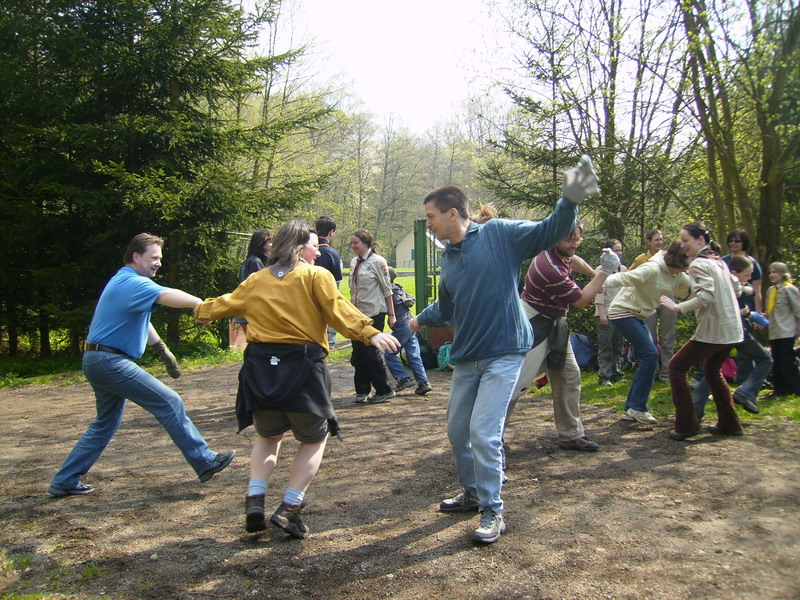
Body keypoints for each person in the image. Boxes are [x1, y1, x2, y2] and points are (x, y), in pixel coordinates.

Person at [410, 154, 599, 545]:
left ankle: (493, 510)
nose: (427, 223)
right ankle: (473, 492)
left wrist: (570, 201)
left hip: (505, 352)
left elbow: (550, 230)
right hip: (467, 356)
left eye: (430, 216)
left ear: (451, 213)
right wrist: (419, 319)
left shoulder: (498, 235)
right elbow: (447, 307)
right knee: (457, 430)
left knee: (483, 431)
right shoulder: (449, 258)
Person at [194, 221, 399, 538]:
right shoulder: (316, 276)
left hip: (261, 369)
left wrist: (200, 311)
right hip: (303, 368)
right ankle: (290, 507)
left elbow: (223, 305)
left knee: (268, 436)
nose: (319, 250)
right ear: (300, 248)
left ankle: (255, 500)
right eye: (314, 245)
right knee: (315, 438)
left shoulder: (256, 280)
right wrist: (370, 332)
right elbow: (339, 311)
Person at [48, 233, 235, 497]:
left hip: (99, 360)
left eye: (160, 258)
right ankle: (204, 460)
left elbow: (142, 322)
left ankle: (64, 480)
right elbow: (167, 295)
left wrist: (162, 349)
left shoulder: (127, 282)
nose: (158, 263)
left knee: (105, 424)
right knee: (169, 402)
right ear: (136, 256)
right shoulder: (132, 282)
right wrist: (202, 306)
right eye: (154, 257)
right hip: (109, 361)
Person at [507, 223, 620, 452]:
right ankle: (491, 437)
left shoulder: (559, 252)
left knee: (568, 375)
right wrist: (604, 272)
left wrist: (595, 275)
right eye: (569, 239)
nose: (574, 244)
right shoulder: (548, 267)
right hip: (533, 324)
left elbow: (573, 260)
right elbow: (579, 300)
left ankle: (571, 435)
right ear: (555, 238)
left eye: (577, 239)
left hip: (555, 323)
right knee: (515, 385)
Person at [659, 222, 744, 440]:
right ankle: (729, 423)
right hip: (732, 329)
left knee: (676, 367)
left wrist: (678, 307)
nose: (682, 245)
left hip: (715, 331)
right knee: (712, 371)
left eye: (685, 241)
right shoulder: (719, 262)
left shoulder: (699, 264)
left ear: (700, 240)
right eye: (681, 241)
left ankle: (687, 424)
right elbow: (737, 287)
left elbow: (706, 297)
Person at [603, 242, 691, 424]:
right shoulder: (651, 269)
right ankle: (637, 407)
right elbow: (623, 278)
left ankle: (630, 409)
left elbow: (691, 292)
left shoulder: (678, 275)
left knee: (648, 355)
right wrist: (599, 280)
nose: (680, 272)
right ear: (674, 262)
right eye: (679, 269)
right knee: (650, 355)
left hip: (639, 315)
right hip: (622, 311)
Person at [693, 255, 772, 416]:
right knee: (765, 359)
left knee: (712, 370)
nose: (749, 278)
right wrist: (746, 312)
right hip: (734, 332)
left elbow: (748, 290)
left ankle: (696, 409)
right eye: (747, 275)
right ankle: (745, 393)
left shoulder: (728, 284)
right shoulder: (729, 286)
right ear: (734, 273)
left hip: (723, 332)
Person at [348, 229, 396, 404]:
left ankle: (384, 389)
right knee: (358, 353)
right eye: (352, 243)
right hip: (357, 314)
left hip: (374, 313)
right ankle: (362, 390)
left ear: (366, 243)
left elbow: (387, 289)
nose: (353, 246)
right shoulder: (354, 262)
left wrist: (391, 314)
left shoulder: (378, 261)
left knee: (370, 352)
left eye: (356, 243)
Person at [630, 228, 675, 382]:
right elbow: (629, 277)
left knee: (667, 337)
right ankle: (652, 371)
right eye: (656, 240)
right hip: (648, 301)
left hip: (667, 299)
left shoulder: (668, 257)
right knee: (650, 337)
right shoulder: (641, 259)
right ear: (648, 242)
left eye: (661, 240)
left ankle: (666, 373)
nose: (659, 243)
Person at [383, 267, 432, 395]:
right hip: (409, 324)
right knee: (413, 355)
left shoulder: (388, 291)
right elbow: (411, 299)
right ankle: (423, 382)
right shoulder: (399, 288)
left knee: (389, 354)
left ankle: (403, 379)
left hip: (401, 327)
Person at [595, 239, 627, 386]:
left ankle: (616, 373)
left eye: (620, 250)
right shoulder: (601, 270)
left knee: (617, 345)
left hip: (620, 313)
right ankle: (604, 376)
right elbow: (599, 293)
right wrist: (602, 314)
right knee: (605, 345)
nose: (619, 253)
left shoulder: (623, 270)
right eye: (616, 250)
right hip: (605, 313)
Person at [765, 262, 800, 397]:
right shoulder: (771, 291)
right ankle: (779, 389)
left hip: (787, 331)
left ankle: (794, 389)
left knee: (787, 361)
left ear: (783, 273)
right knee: (777, 361)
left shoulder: (789, 289)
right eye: (770, 272)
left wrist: (798, 329)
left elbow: (798, 310)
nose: (771, 275)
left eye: (775, 272)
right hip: (775, 332)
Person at [233, 229, 273, 338]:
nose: (273, 244)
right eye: (270, 241)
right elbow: (259, 287)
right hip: (252, 312)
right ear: (262, 244)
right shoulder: (255, 262)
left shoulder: (256, 260)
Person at [314, 216, 344, 349]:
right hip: (327, 297)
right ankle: (329, 345)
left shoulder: (306, 251)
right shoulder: (332, 254)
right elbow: (337, 282)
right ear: (332, 232)